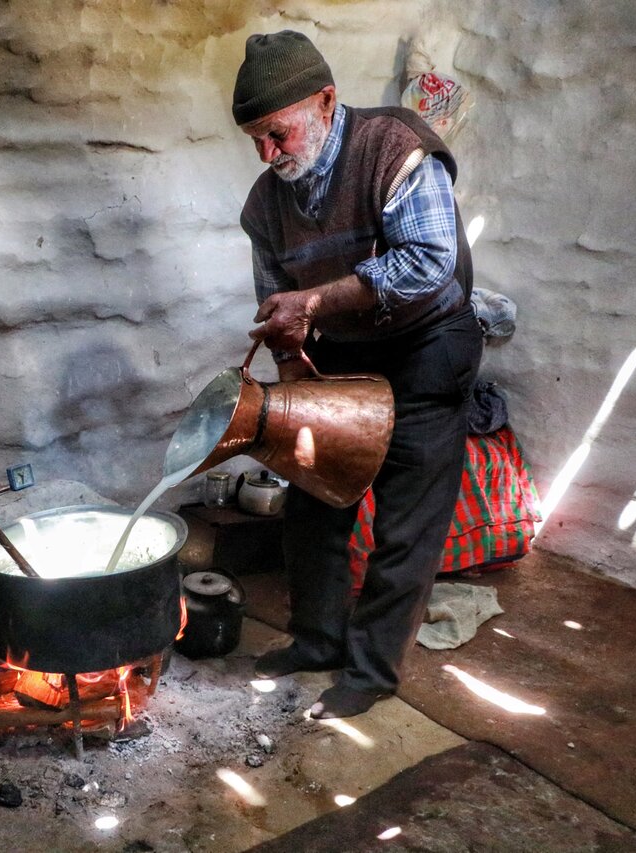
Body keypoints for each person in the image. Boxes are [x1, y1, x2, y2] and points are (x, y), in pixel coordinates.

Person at [231, 32, 483, 719]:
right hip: (342, 355)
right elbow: (278, 294)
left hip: (429, 346)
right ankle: (317, 639)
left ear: (326, 101)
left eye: (276, 134)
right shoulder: (264, 205)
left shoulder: (392, 148)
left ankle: (371, 671)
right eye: (255, 139)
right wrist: (291, 361)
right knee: (315, 499)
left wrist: (314, 302)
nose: (267, 153)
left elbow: (429, 260)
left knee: (406, 521)